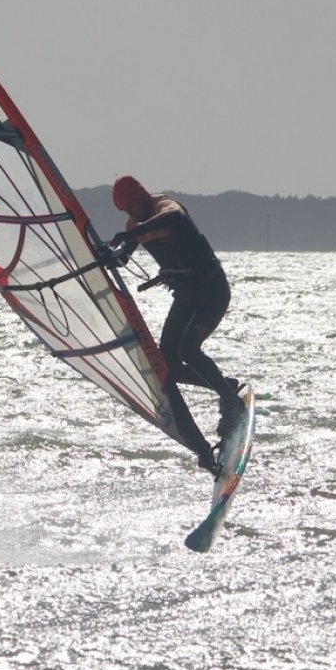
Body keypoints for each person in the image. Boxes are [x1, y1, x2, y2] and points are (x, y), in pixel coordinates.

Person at [104, 175, 245, 475]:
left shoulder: (164, 206)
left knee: (188, 350)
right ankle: (205, 437)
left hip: (210, 290)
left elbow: (176, 218)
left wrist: (135, 231)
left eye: (133, 205)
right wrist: (108, 254)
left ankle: (231, 401)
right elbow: (122, 258)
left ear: (143, 196)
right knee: (164, 368)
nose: (132, 213)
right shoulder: (134, 226)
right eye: (125, 210)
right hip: (185, 297)